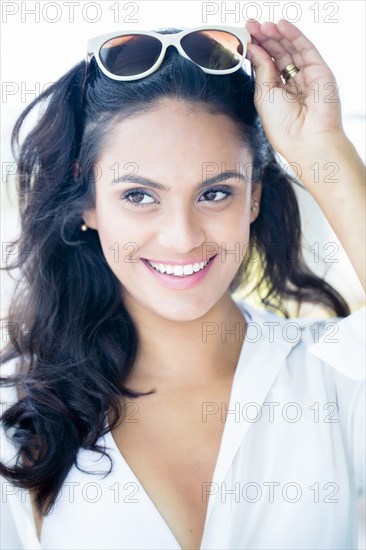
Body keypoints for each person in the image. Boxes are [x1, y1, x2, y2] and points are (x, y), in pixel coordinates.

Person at [0, 19, 365, 550]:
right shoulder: (17, 419)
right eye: (139, 195)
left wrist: (323, 149)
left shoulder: (334, 381)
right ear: (88, 203)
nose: (181, 238)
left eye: (215, 193)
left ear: (255, 198)